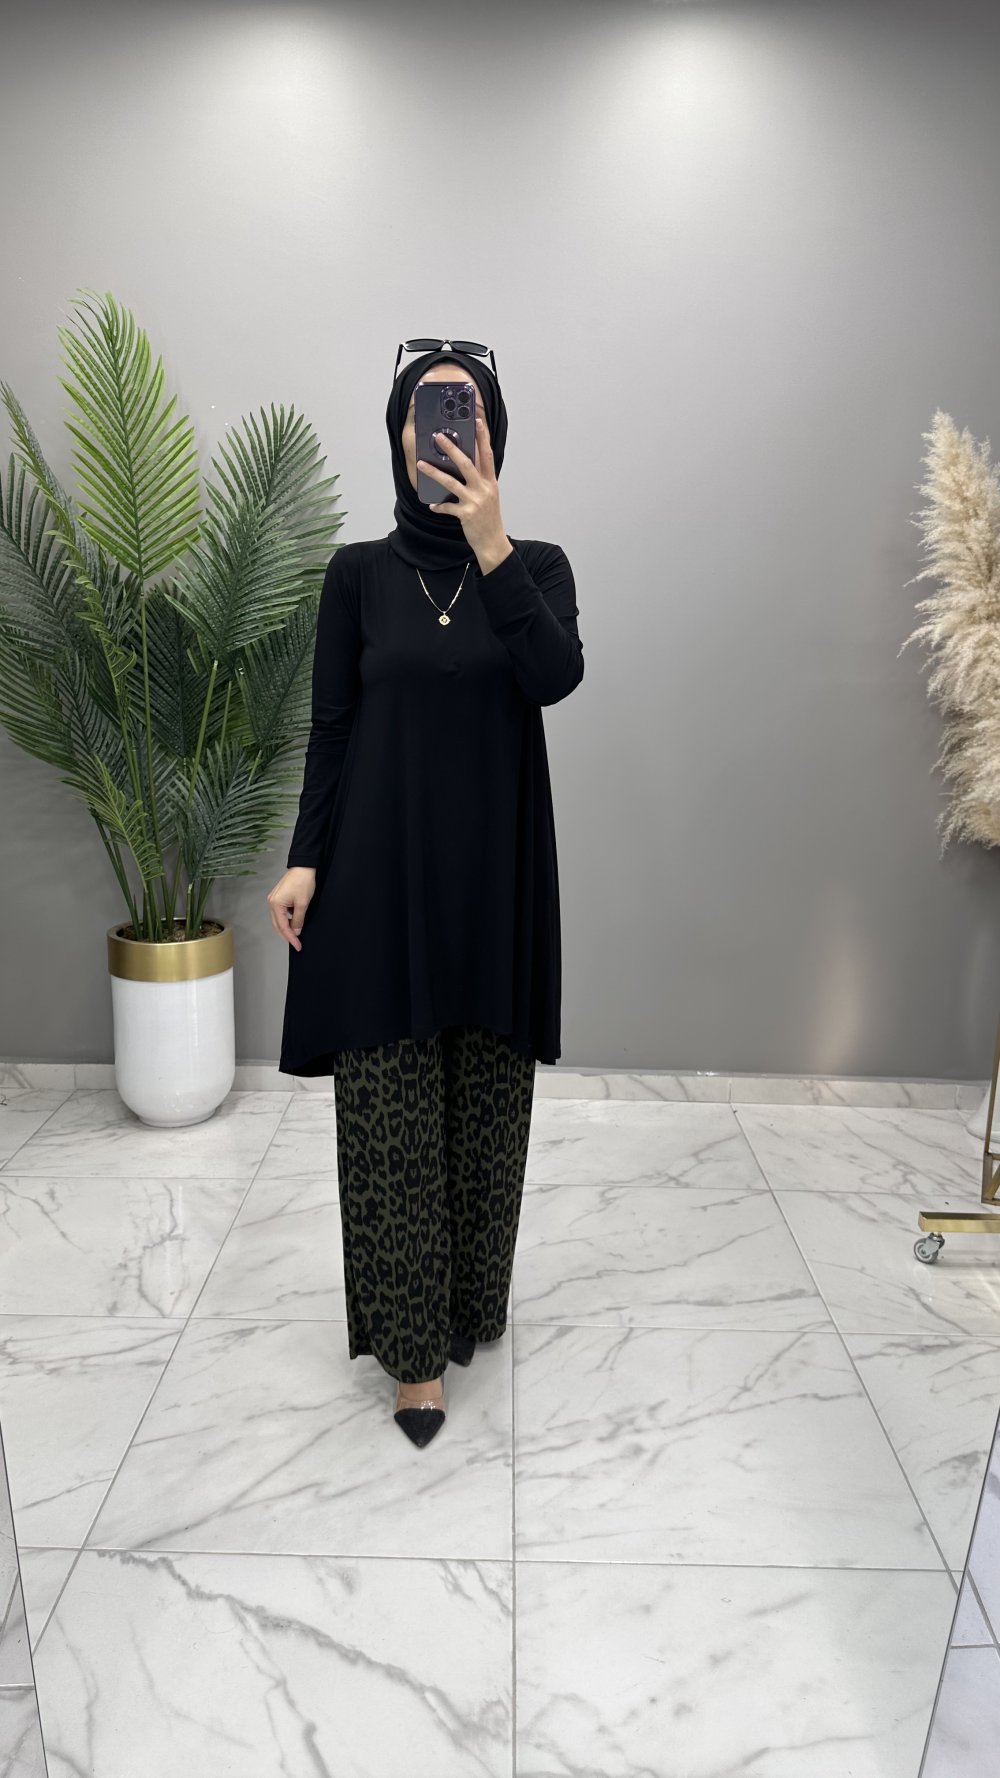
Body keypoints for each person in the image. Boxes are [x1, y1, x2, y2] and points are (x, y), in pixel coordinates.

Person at [267, 341, 584, 1446]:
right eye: (424, 413)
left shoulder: (537, 565)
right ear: (398, 434)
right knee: (390, 1113)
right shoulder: (355, 574)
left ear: (493, 433)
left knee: (487, 1107)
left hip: (497, 876)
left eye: (464, 411)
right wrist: (304, 858)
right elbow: (333, 728)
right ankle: (413, 1359)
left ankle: (469, 1307)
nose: (442, 431)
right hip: (379, 872)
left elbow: (554, 676)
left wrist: (490, 543)